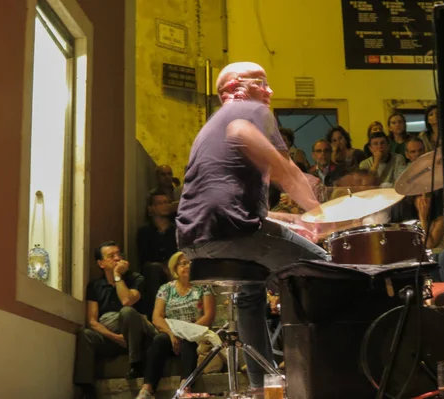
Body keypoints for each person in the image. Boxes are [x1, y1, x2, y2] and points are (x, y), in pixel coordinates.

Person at [176, 61, 328, 391]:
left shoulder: (210, 127)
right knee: (325, 271)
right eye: (262, 82)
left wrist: (292, 220)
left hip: (193, 238)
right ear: (238, 88)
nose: (270, 91)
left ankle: (264, 387)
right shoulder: (252, 112)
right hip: (233, 231)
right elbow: (288, 173)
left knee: (251, 292)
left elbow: (222, 201)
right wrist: (322, 215)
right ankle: (326, 374)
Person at [74, 241, 156, 399]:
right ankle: (86, 388)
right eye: (111, 256)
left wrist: (118, 276)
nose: (117, 258)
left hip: (136, 337)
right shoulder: (96, 285)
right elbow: (92, 321)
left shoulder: (136, 279)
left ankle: (136, 364)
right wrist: (116, 338)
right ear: (101, 263)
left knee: (127, 311)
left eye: (119, 254)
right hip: (112, 338)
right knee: (85, 334)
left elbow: (127, 300)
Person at [136, 252, 215, 399]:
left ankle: (185, 387)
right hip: (171, 333)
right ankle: (147, 388)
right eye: (183, 263)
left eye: (190, 262)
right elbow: (157, 317)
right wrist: (172, 334)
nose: (187, 266)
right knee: (159, 340)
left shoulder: (203, 287)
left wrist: (187, 331)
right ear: (175, 268)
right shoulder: (166, 289)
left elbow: (209, 316)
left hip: (194, 333)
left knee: (188, 342)